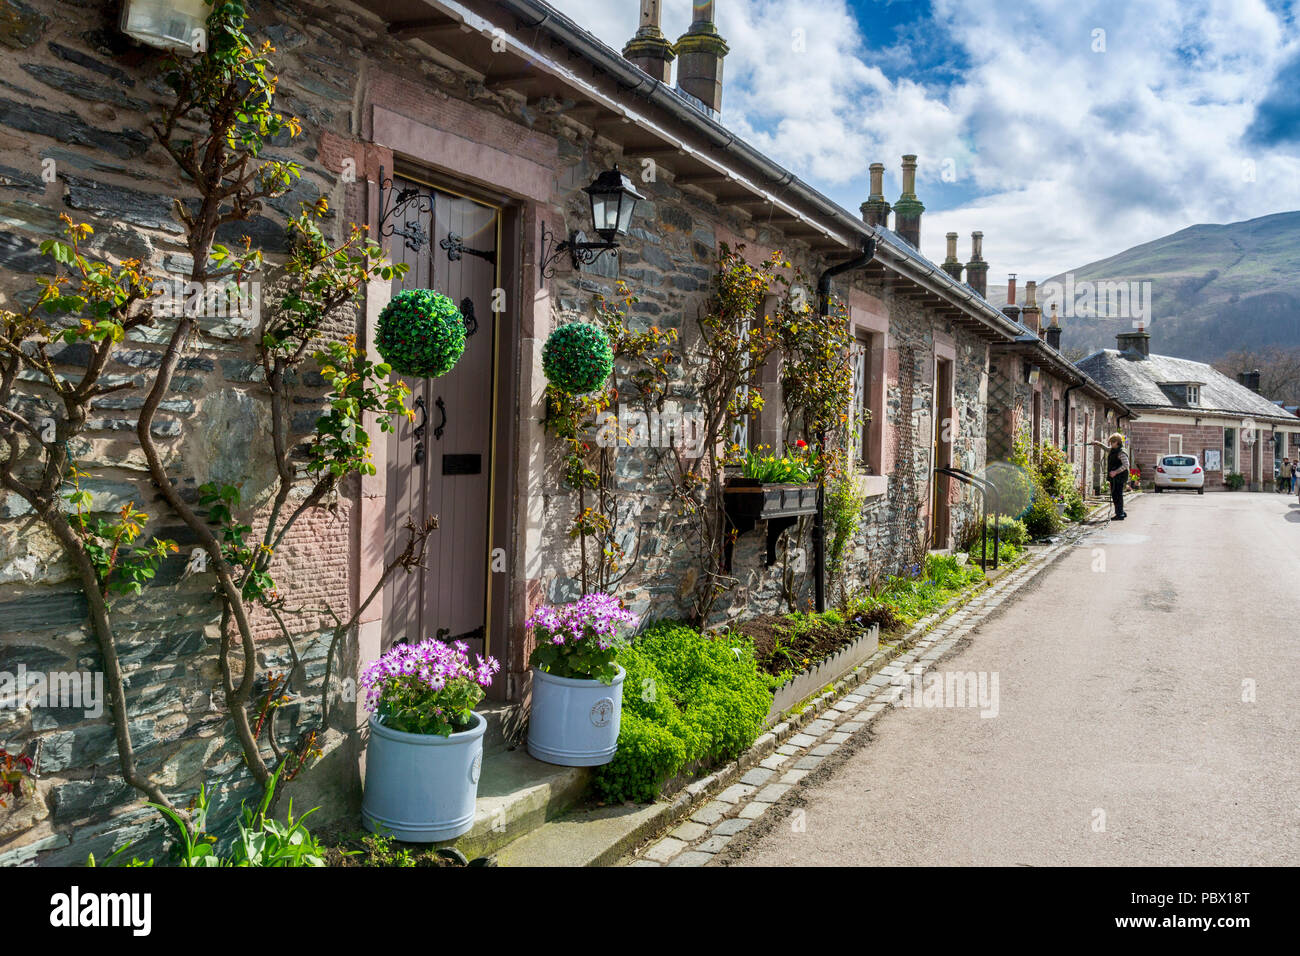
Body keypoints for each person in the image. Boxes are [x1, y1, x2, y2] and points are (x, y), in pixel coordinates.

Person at [1092, 432, 1130, 520]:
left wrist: (1115, 472)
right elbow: (1107, 449)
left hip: (1119, 477)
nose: (1110, 444)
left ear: (1117, 442)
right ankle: (1121, 512)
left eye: (1112, 442)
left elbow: (1126, 465)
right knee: (1115, 494)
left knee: (1117, 495)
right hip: (1115, 477)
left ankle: (1119, 514)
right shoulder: (1114, 449)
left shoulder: (1121, 453)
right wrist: (1098, 444)